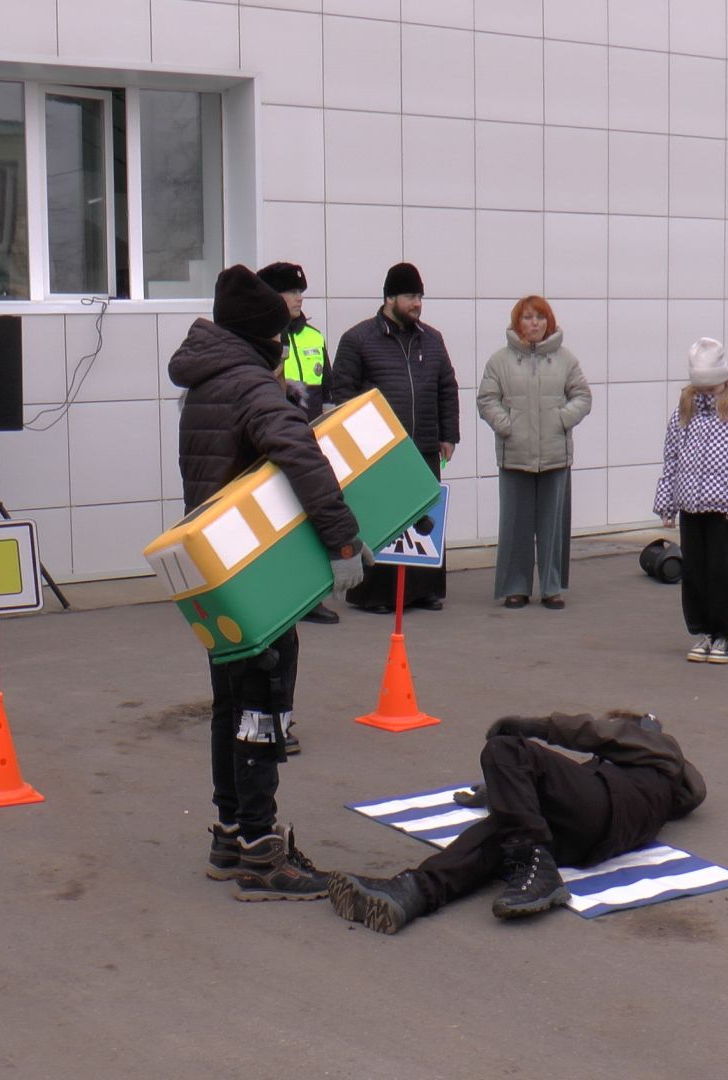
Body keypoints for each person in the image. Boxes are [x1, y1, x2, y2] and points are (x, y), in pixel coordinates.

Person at [170, 265, 365, 901]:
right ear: (263, 337)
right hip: (260, 569)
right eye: (279, 337)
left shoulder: (205, 383)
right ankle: (260, 851)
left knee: (231, 699)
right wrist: (342, 537)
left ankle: (229, 835)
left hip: (219, 569)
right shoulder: (252, 387)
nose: (286, 345)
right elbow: (300, 453)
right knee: (262, 701)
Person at [326, 709, 705, 934]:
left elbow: (591, 732)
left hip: (602, 810)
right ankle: (412, 892)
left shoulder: (656, 744)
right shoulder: (660, 787)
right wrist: (500, 791)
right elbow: (559, 793)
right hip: (589, 840)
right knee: (508, 830)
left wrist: (529, 727)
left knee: (504, 749)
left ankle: (537, 871)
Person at [328, 262, 459, 613]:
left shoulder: (432, 339)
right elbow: (342, 396)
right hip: (379, 454)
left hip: (425, 447)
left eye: (419, 296)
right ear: (389, 298)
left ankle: (425, 589)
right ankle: (377, 596)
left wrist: (449, 435)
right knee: (382, 521)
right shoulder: (357, 340)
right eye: (409, 296)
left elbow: (447, 387)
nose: (417, 303)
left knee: (424, 519)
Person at [653, 338, 728, 663]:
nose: (706, 393)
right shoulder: (685, 407)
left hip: (726, 508)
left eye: (712, 387)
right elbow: (672, 456)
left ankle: (726, 633)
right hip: (691, 503)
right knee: (696, 572)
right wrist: (668, 502)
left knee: (722, 571)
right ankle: (703, 629)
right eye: (700, 387)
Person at [479, 296, 592, 610]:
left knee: (552, 525)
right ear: (517, 323)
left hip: (555, 456)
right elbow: (487, 399)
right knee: (515, 524)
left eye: (540, 318)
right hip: (514, 455)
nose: (534, 324)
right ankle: (516, 586)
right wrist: (507, 425)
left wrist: (561, 419)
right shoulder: (499, 361)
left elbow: (582, 396)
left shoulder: (565, 360)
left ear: (549, 322)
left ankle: (551, 587)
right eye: (528, 318)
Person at [258, 261, 340, 626]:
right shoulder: (262, 341)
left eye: (300, 291)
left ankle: (312, 597)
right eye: (290, 291)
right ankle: (276, 598)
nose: (298, 298)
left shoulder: (314, 337)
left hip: (310, 448)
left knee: (311, 520)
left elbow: (330, 392)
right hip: (273, 450)